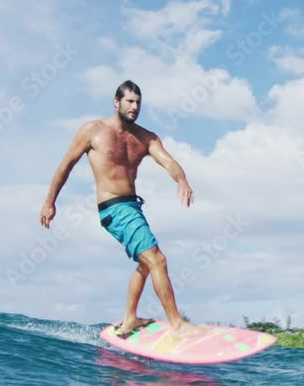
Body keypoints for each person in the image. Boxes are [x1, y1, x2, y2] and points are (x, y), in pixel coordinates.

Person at [39, 80, 204, 340]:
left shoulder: (145, 138)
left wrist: (182, 180)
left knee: (147, 263)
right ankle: (178, 325)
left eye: (138, 102)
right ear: (116, 102)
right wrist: (50, 201)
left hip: (133, 207)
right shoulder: (93, 131)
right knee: (158, 260)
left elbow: (168, 162)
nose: (135, 107)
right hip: (113, 208)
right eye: (129, 101)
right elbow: (65, 166)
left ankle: (129, 320)